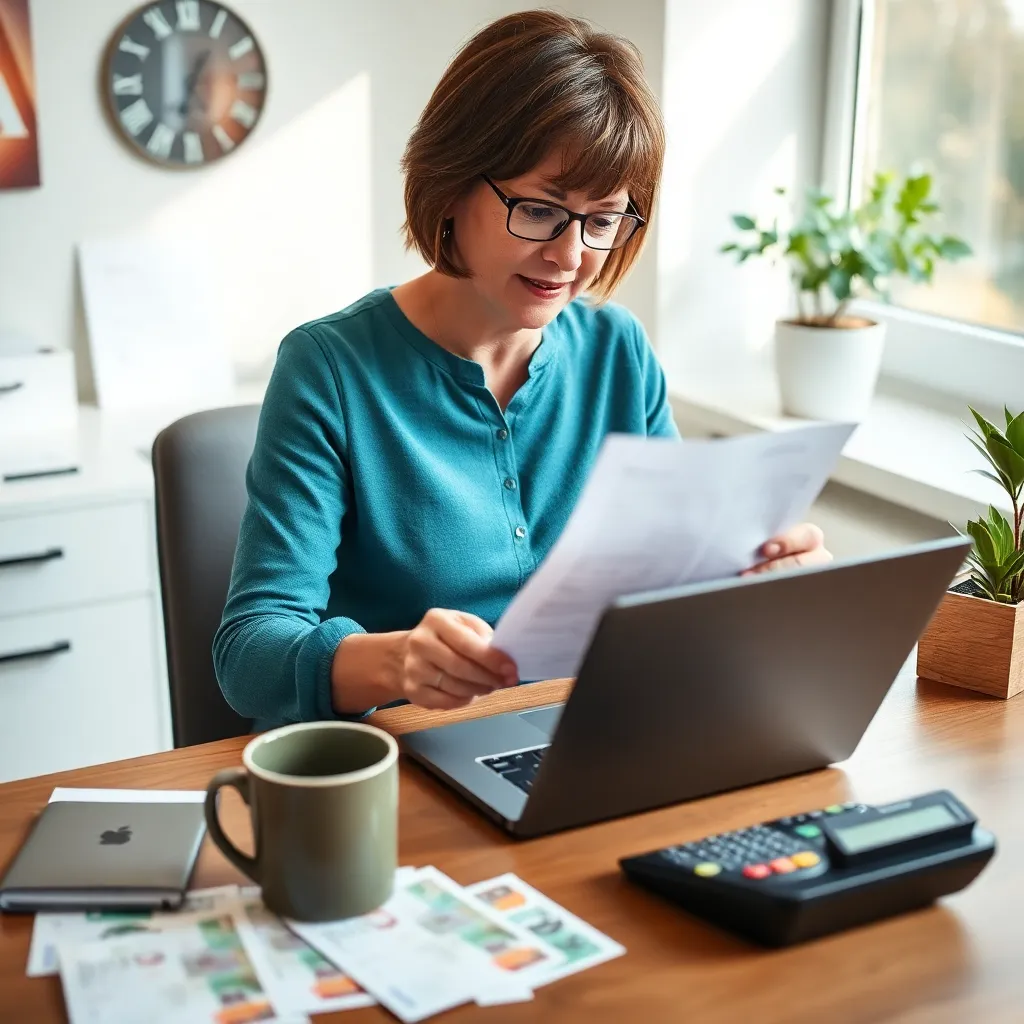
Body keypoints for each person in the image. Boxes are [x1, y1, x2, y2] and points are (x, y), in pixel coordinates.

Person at [213, 10, 831, 731]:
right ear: (451, 185)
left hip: (585, 737)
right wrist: (396, 662)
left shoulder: (617, 354)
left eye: (603, 220)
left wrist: (764, 581)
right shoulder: (330, 368)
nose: (570, 256)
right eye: (540, 211)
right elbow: (249, 656)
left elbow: (663, 587)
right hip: (400, 762)